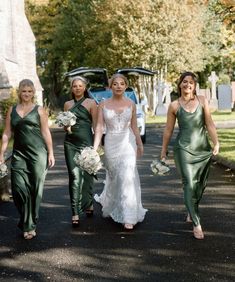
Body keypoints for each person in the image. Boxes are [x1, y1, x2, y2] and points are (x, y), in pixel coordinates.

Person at [160, 71, 219, 239]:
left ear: (195, 85)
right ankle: (196, 222)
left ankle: (191, 208)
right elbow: (168, 130)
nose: (187, 85)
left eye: (191, 82)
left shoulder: (202, 101)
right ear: (180, 84)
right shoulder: (174, 106)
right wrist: (163, 150)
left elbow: (209, 123)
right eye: (184, 82)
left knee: (200, 185)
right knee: (189, 183)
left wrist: (216, 143)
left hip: (202, 149)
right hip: (183, 149)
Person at [0, 79, 55, 240]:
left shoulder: (39, 110)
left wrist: (51, 152)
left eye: (30, 91)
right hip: (19, 155)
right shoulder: (12, 110)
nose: (27, 94)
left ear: (33, 93)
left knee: (35, 190)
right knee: (18, 190)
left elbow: (46, 132)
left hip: (38, 154)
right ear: (19, 92)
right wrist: (2, 153)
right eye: (24, 91)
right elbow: (7, 133)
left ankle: (29, 225)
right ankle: (27, 220)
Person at [93, 73, 147, 230]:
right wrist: (95, 149)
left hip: (128, 143)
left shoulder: (131, 104)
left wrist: (139, 144)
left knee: (127, 176)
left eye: (121, 84)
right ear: (110, 87)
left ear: (125, 86)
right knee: (116, 177)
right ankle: (114, 205)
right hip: (111, 143)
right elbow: (99, 128)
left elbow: (134, 127)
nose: (118, 86)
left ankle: (129, 215)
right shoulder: (102, 104)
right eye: (115, 84)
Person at [63, 76, 97, 227]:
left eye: (80, 86)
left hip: (87, 143)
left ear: (84, 87)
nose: (77, 88)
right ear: (71, 88)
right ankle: (75, 212)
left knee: (88, 176)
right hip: (70, 143)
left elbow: (96, 126)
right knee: (74, 176)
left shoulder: (91, 103)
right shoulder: (67, 104)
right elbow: (65, 125)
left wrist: (97, 147)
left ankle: (88, 203)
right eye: (74, 86)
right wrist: (66, 126)